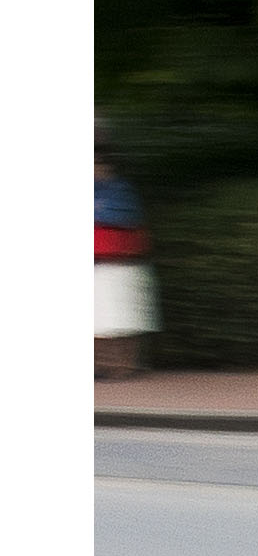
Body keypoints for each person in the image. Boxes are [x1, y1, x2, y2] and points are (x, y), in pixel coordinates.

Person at [93, 142, 152, 379]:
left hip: (121, 263)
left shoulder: (121, 190)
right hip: (95, 263)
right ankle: (100, 365)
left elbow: (126, 217)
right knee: (96, 320)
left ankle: (125, 366)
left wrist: (97, 214)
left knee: (124, 319)